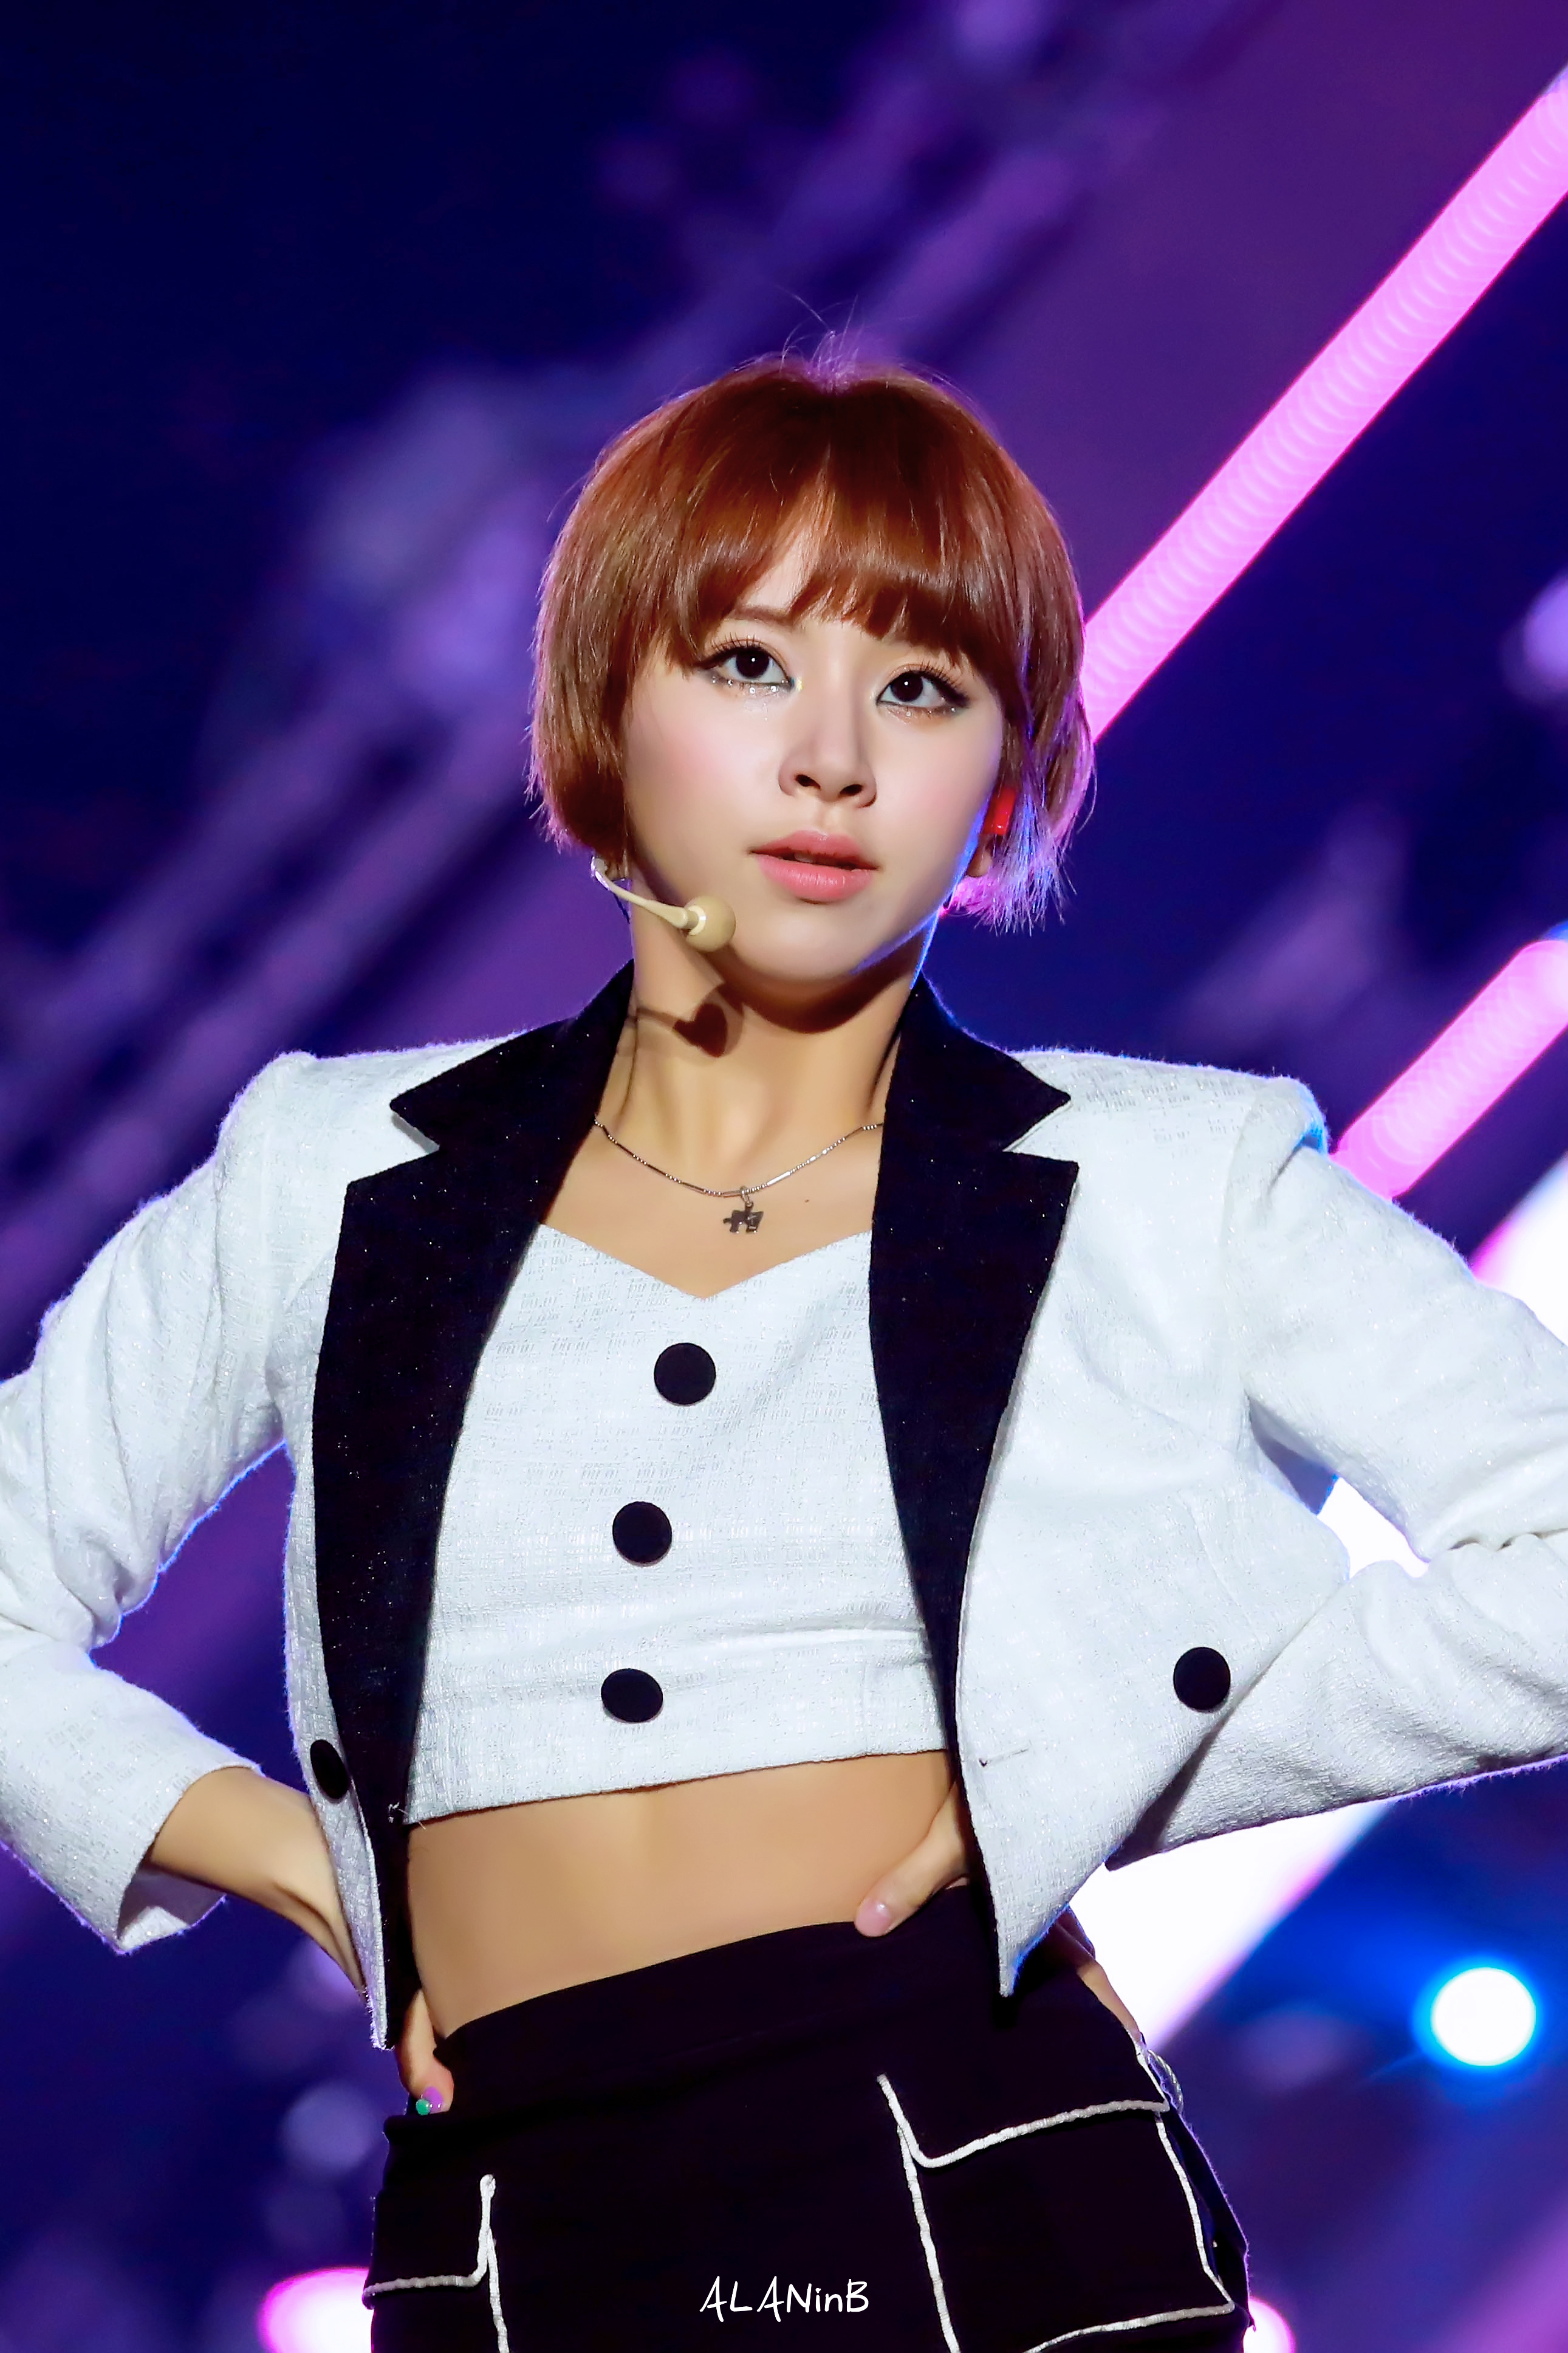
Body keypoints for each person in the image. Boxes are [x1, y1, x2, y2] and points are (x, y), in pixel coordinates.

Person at [5, 353, 1568, 2352]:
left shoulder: (1184, 1184)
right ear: (606, 714)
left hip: (981, 2180)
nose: (832, 758)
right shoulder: (329, 1175)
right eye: (751, 665)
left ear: (1002, 778)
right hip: (520, 2232)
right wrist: (298, 1865)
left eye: (921, 688)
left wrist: (1108, 1758)